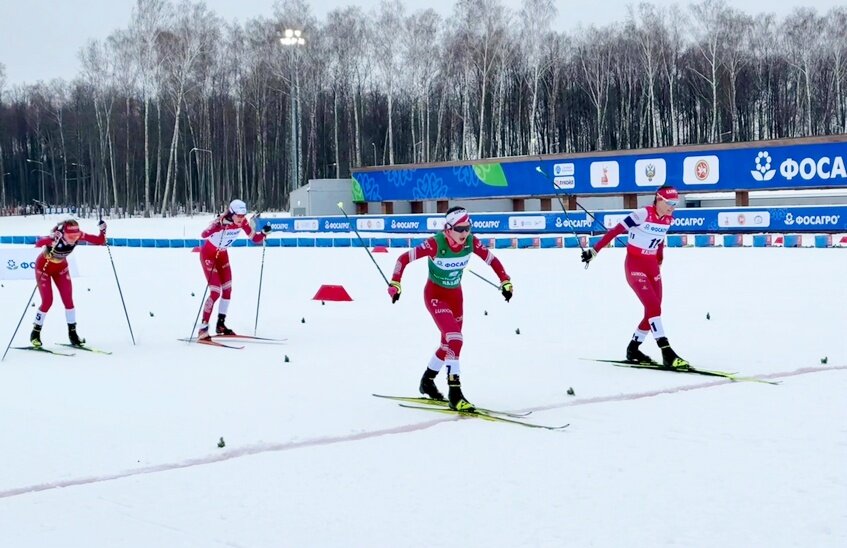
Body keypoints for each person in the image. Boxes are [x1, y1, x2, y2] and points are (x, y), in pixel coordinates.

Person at [388, 206, 513, 411]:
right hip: (435, 296)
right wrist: (395, 283)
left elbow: (492, 260)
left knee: (448, 345)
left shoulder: (471, 242)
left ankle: (427, 381)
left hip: (456, 297)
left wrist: (505, 281)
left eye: (468, 228)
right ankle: (455, 392)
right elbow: (402, 259)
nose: (465, 233)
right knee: (455, 338)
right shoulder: (435, 244)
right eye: (460, 229)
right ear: (448, 229)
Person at [581, 185, 689, 369]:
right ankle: (666, 352)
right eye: (670, 202)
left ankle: (633, 349)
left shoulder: (668, 218)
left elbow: (661, 240)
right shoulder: (642, 214)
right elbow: (615, 231)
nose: (673, 207)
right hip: (635, 265)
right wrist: (595, 250)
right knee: (653, 306)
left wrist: (660, 260)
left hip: (652, 267)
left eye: (675, 203)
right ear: (659, 199)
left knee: (653, 311)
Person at [197, 199, 271, 340]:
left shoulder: (242, 223)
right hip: (208, 256)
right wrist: (219, 226)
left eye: (244, 215)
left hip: (222, 255)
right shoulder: (220, 221)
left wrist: (263, 233)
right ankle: (203, 328)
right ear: (231, 213)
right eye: (239, 215)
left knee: (227, 290)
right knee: (215, 292)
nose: (241, 218)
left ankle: (221, 324)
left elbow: (254, 239)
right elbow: (204, 235)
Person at [30, 218, 108, 347]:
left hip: (61, 268)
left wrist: (103, 230)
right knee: (47, 301)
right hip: (43, 268)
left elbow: (100, 241)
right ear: (64, 233)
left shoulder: (79, 235)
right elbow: (38, 244)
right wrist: (50, 238)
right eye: (70, 236)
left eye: (76, 235)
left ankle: (73, 334)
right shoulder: (56, 238)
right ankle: (35, 333)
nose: (74, 239)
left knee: (68, 301)